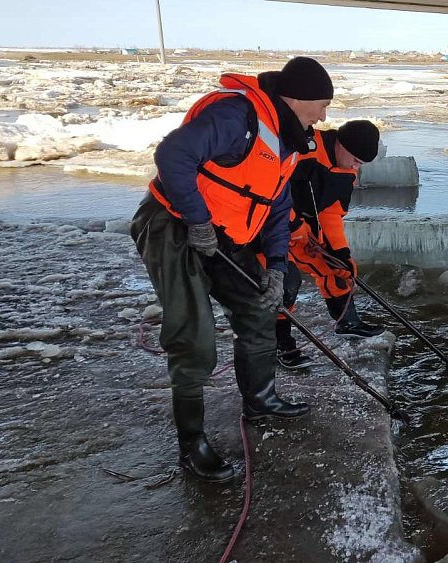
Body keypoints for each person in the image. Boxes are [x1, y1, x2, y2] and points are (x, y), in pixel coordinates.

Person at [130, 57, 334, 483]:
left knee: (260, 307)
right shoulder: (236, 114)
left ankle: (260, 400)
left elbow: (277, 209)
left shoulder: (286, 141)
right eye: (322, 104)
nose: (323, 115)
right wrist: (198, 220)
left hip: (226, 237)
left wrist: (276, 267)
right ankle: (192, 444)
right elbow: (173, 154)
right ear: (297, 98)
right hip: (174, 222)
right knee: (194, 336)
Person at [275, 120, 385, 369]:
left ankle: (347, 321)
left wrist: (341, 254)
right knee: (285, 282)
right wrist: (293, 225)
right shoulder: (303, 150)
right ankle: (279, 343)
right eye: (356, 160)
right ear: (341, 144)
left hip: (303, 228)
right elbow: (271, 192)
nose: (356, 167)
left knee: (338, 269)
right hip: (270, 226)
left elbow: (332, 214)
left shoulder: (345, 170)